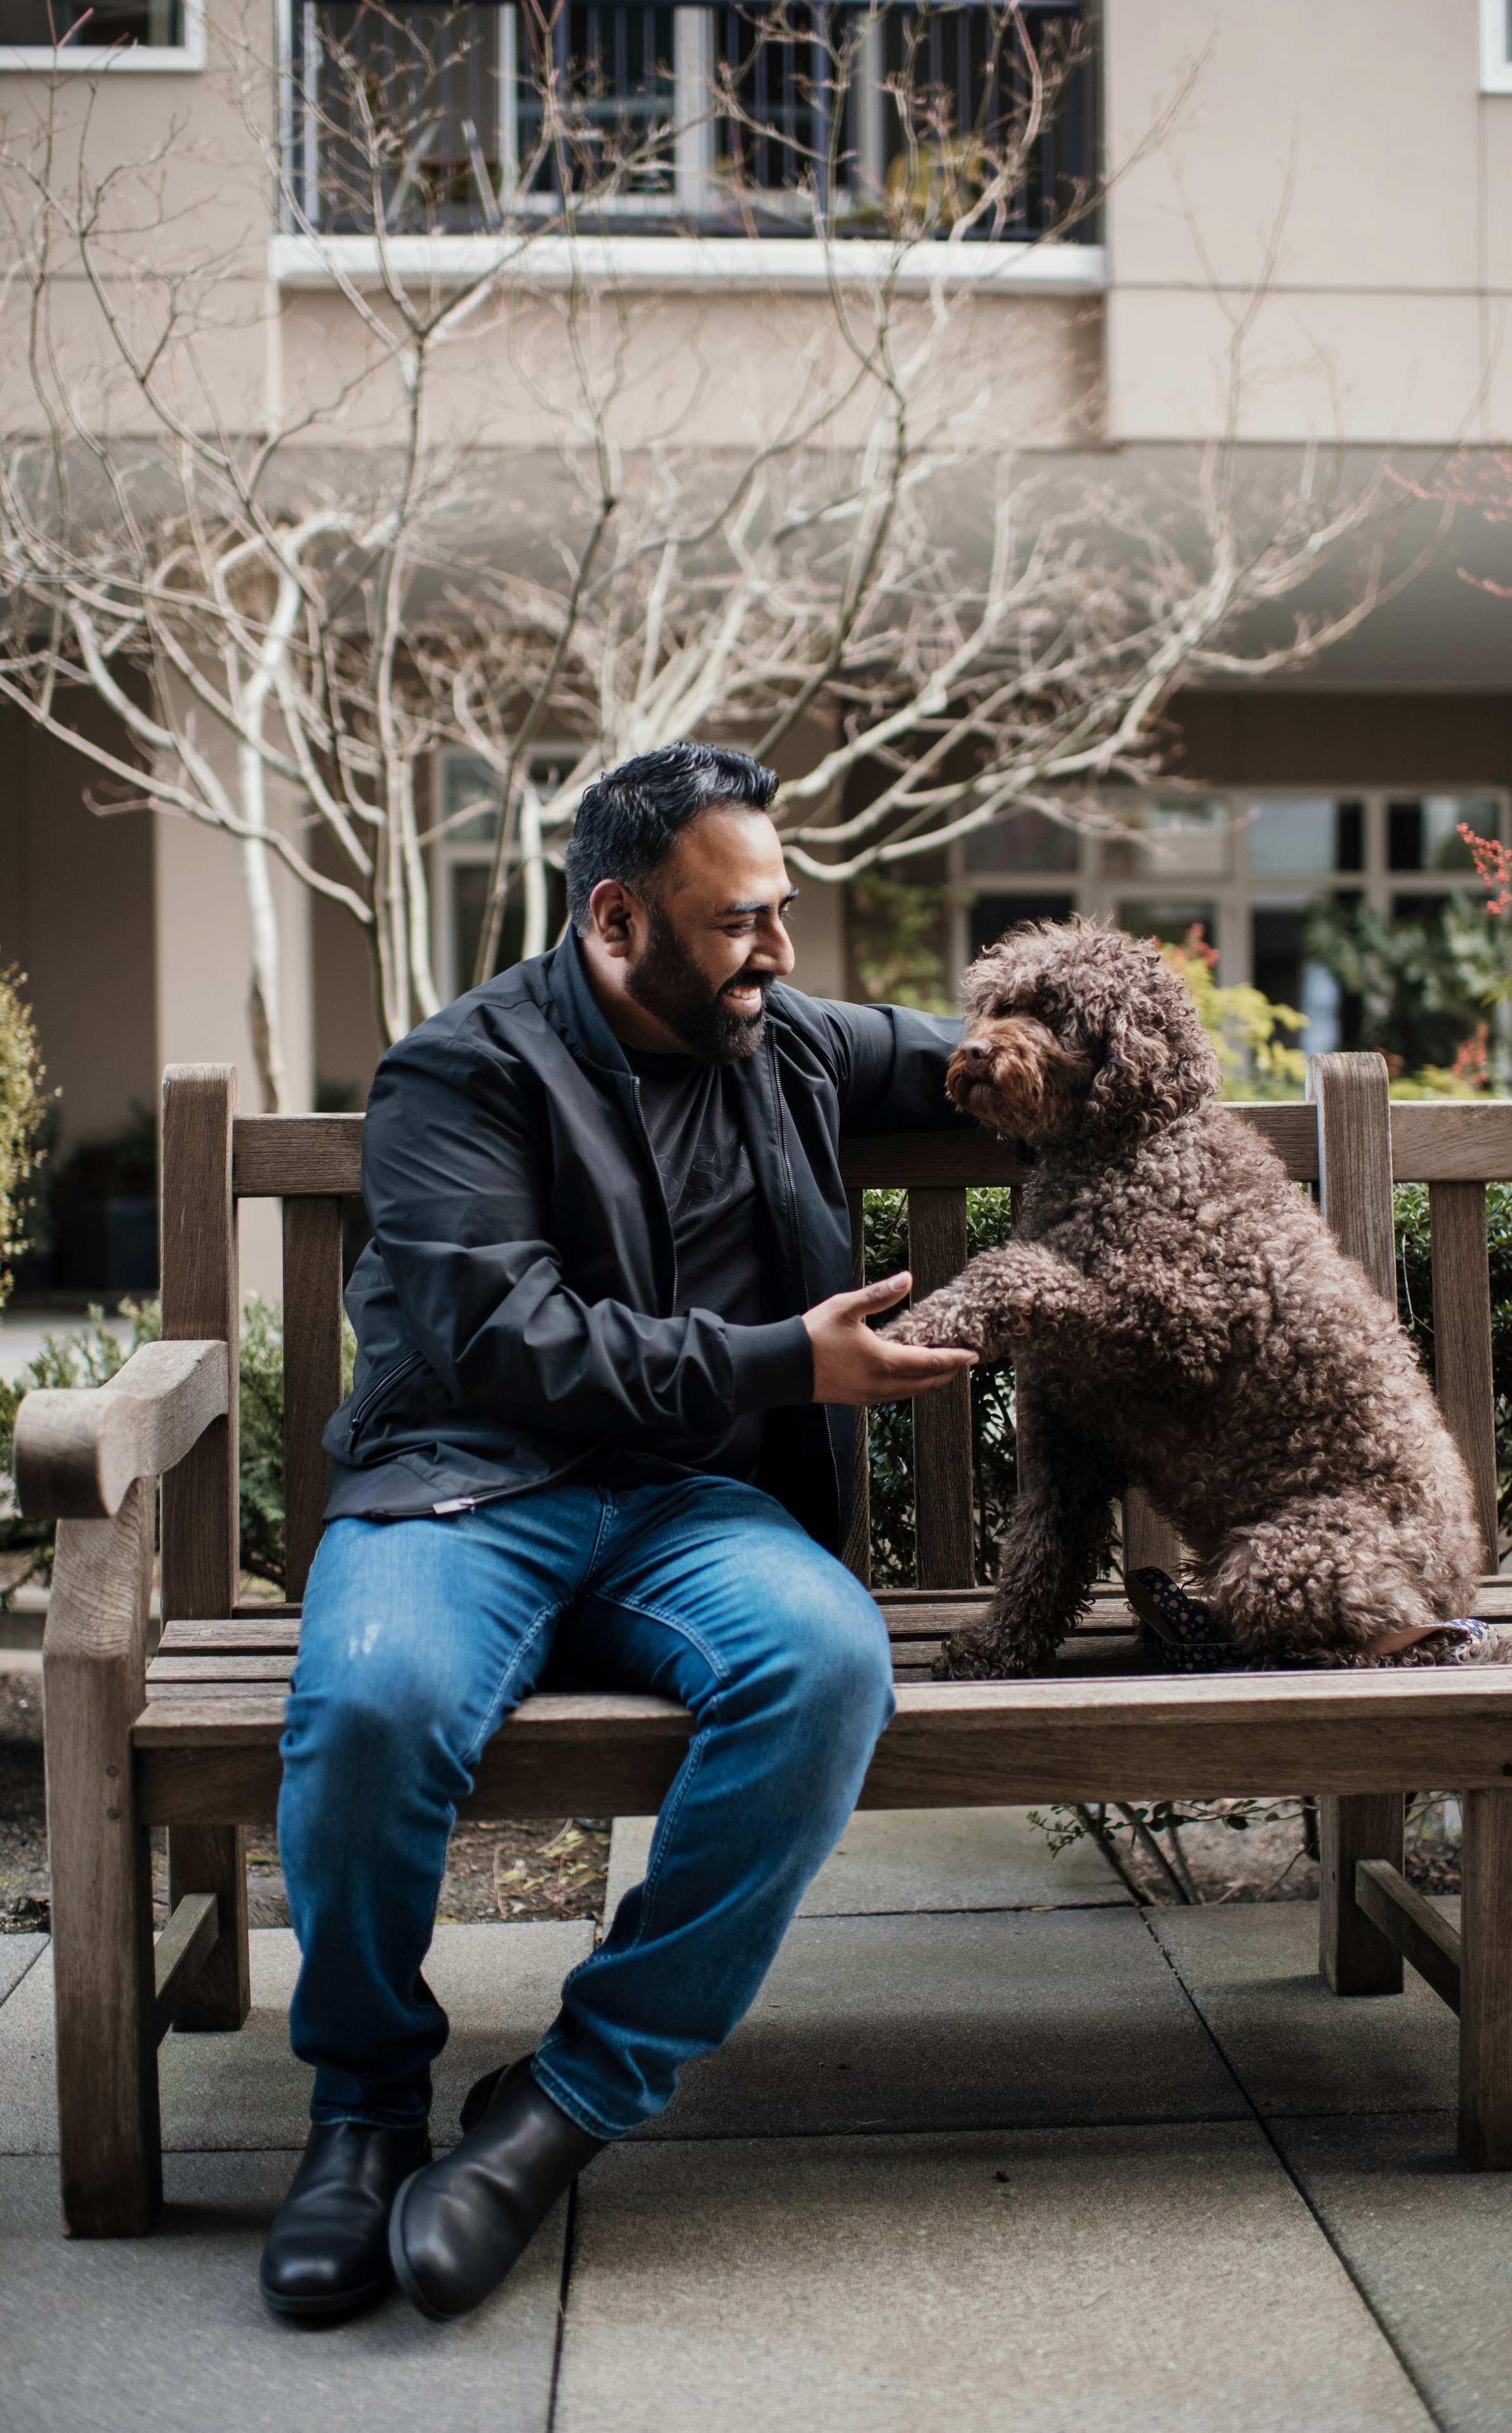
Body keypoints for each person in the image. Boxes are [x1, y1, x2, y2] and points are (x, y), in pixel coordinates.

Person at [259, 743, 977, 2325]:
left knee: (824, 1664)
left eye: (782, 914)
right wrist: (787, 1357)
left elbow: (954, 1060)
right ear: (612, 922)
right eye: (739, 924)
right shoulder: (460, 1073)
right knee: (374, 1702)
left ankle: (564, 2106)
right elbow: (505, 1340)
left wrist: (1041, 1056)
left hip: (684, 1514)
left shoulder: (780, 1043)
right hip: (468, 1485)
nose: (777, 957)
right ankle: (363, 2110)